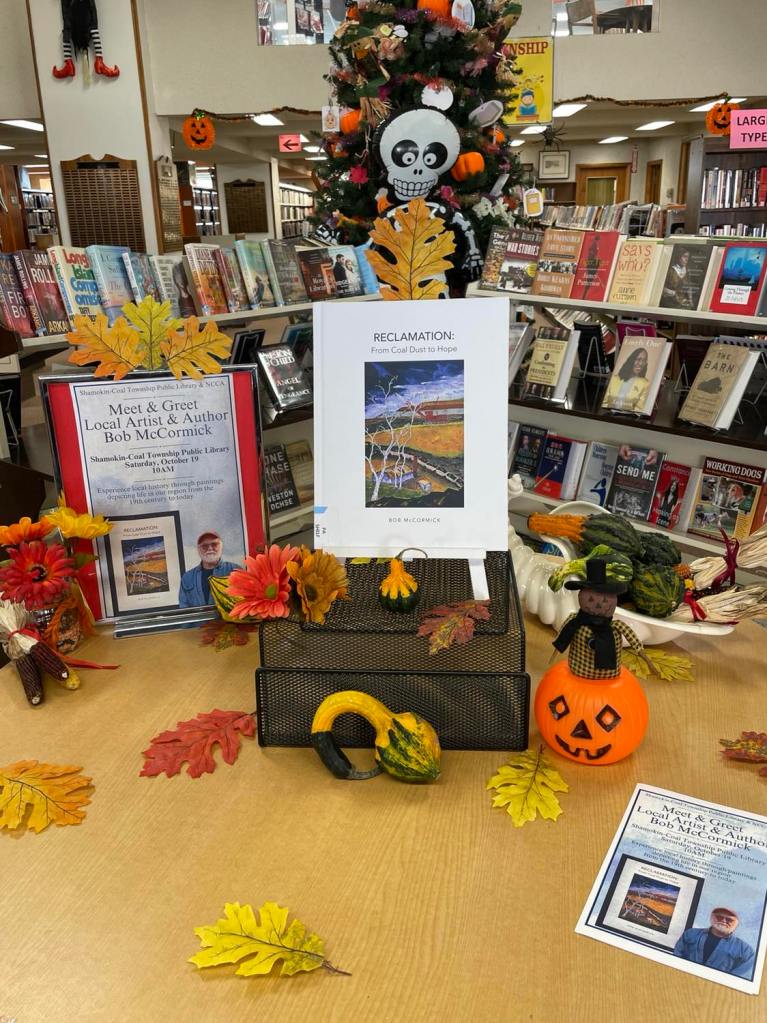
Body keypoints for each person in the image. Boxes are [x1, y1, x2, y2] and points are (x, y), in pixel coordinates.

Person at [674, 908, 756, 978]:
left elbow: (739, 976)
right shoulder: (691, 934)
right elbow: (677, 956)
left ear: (736, 924)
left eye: (729, 920)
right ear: (711, 918)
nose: (723, 921)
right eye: (719, 917)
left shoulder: (746, 951)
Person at [178, 531, 239, 608]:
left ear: (221, 546)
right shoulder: (187, 577)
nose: (210, 548)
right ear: (198, 549)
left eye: (214, 544)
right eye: (204, 546)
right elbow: (184, 607)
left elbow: (244, 602)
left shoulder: (235, 571)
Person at [604, 347, 650, 413]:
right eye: (638, 359)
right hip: (610, 415)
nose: (640, 363)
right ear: (631, 360)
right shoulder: (614, 379)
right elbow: (605, 403)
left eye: (644, 360)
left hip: (629, 417)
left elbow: (638, 409)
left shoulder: (645, 384)